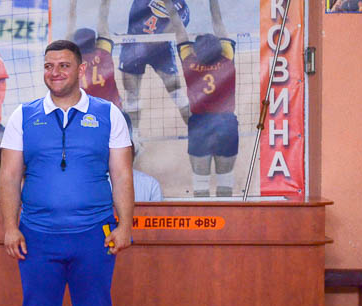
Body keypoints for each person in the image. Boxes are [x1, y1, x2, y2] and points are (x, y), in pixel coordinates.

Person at [0, 40, 134, 306]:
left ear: (80, 70)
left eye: (63, 65)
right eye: (48, 66)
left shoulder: (109, 115)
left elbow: (122, 174)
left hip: (95, 237)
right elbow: (9, 176)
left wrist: (125, 225)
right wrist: (10, 226)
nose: (54, 72)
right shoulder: (23, 117)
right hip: (38, 238)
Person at [166, 0, 238, 197]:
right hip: (226, 123)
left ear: (196, 51)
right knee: (225, 185)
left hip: (200, 125)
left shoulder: (189, 60)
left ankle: (205, 226)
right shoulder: (227, 57)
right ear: (218, 48)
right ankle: (226, 225)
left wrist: (167, 3)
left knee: (200, 186)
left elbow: (177, 24)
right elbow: (218, 20)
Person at [118, 0, 191, 143]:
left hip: (159, 50)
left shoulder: (182, 8)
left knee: (177, 93)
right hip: (134, 46)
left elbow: (167, 33)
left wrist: (145, 46)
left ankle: (196, 132)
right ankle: (133, 138)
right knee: (132, 96)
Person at [66, 0, 122, 109]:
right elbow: (103, 22)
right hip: (111, 109)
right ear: (95, 43)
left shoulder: (71, 59)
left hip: (85, 110)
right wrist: (105, 2)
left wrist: (72, 5)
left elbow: (69, 28)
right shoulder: (104, 53)